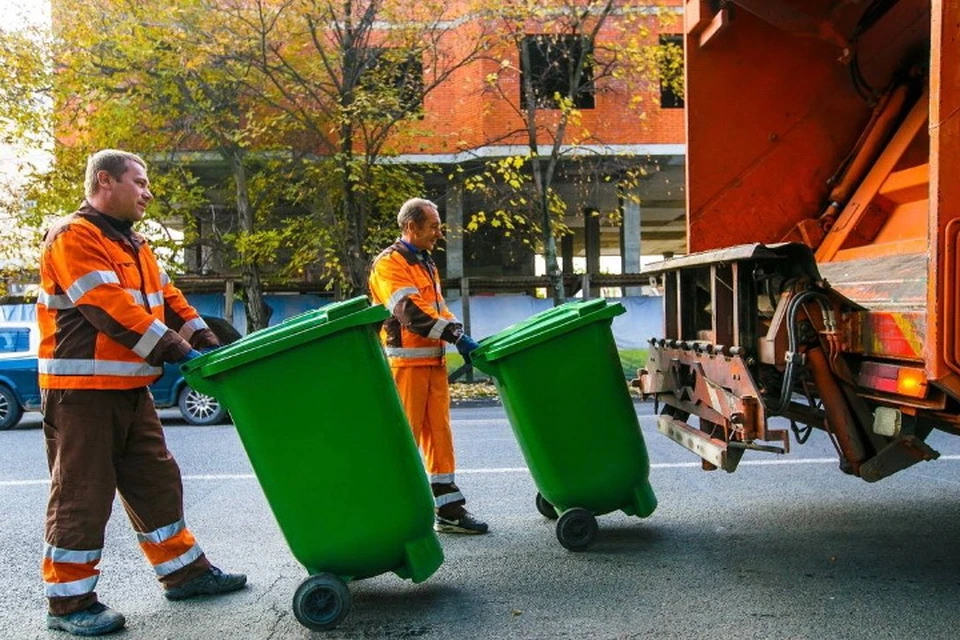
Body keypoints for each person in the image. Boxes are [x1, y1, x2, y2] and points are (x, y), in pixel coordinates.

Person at [37, 149, 247, 637]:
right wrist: (178, 350)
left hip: (131, 389)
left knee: (157, 481)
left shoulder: (135, 245)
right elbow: (109, 309)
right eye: (141, 182)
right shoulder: (74, 236)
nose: (149, 192)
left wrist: (207, 343)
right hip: (82, 394)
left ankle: (184, 573)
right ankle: (69, 604)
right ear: (105, 182)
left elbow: (171, 303)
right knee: (82, 495)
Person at [368, 198, 488, 535]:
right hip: (406, 366)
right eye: (433, 226)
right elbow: (409, 313)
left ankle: (448, 508)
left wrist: (460, 333)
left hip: (431, 363)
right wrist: (454, 336)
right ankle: (388, 512)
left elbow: (438, 309)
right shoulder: (389, 264)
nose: (438, 232)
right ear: (411, 227)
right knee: (404, 441)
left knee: (440, 436)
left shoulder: (425, 262)